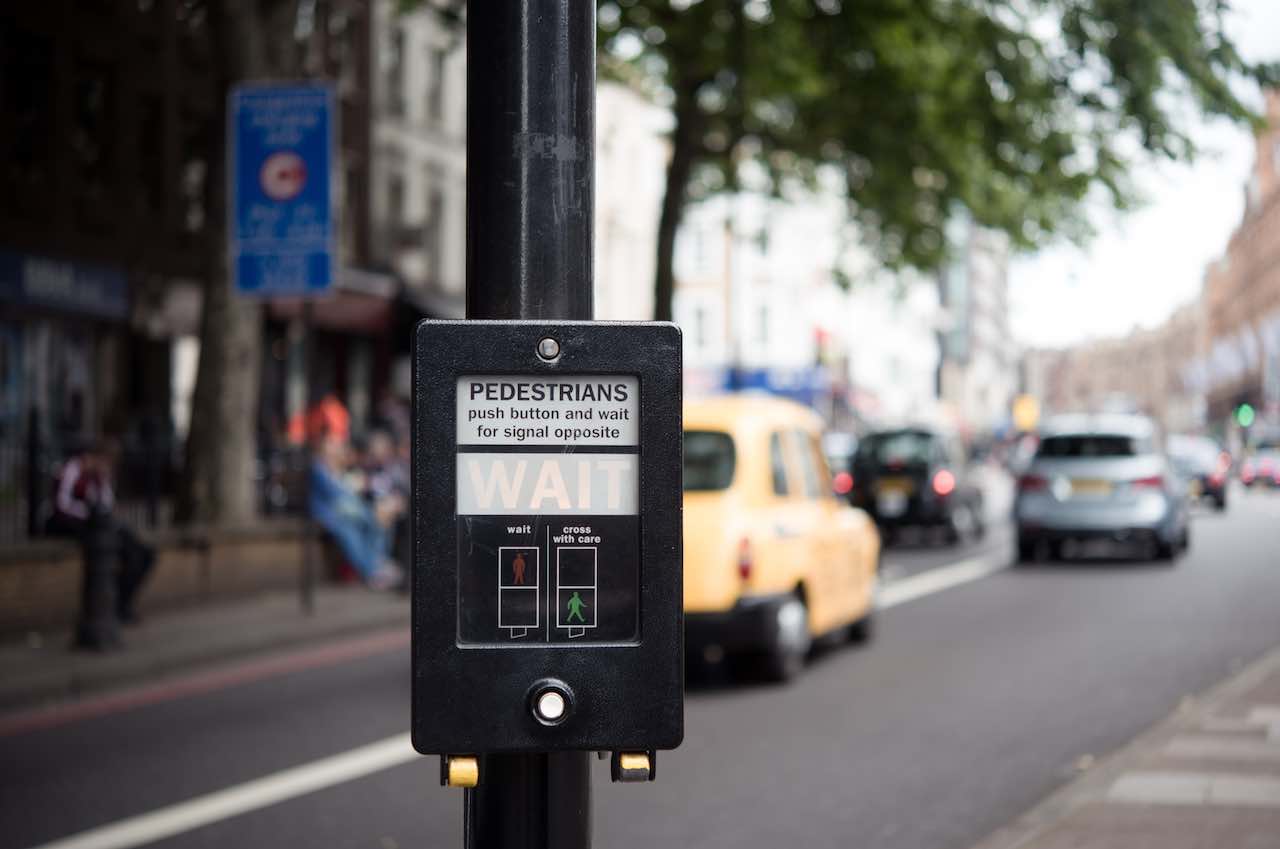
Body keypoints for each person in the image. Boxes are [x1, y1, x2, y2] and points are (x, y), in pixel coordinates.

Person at [46, 438, 155, 624]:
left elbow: (107, 505)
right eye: (103, 462)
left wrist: (103, 488)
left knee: (144, 554)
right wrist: (90, 513)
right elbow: (62, 505)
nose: (106, 467)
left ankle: (119, 604)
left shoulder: (99, 477)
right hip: (76, 526)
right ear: (91, 457)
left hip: (100, 526)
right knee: (113, 553)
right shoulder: (72, 469)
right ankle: (111, 609)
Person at [310, 437, 402, 591]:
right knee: (370, 522)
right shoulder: (318, 468)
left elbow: (353, 492)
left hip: (345, 514)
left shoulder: (337, 467)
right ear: (324, 450)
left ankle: (376, 568)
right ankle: (375, 570)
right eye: (333, 447)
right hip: (330, 515)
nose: (337, 450)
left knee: (356, 529)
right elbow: (336, 494)